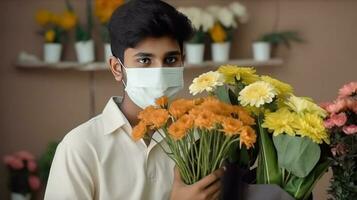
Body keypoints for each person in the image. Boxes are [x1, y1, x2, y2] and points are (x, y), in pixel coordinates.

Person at [44, 0, 224, 199]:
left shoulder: (203, 139)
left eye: (171, 60)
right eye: (145, 60)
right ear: (116, 68)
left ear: (183, 60)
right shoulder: (81, 147)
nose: (159, 73)